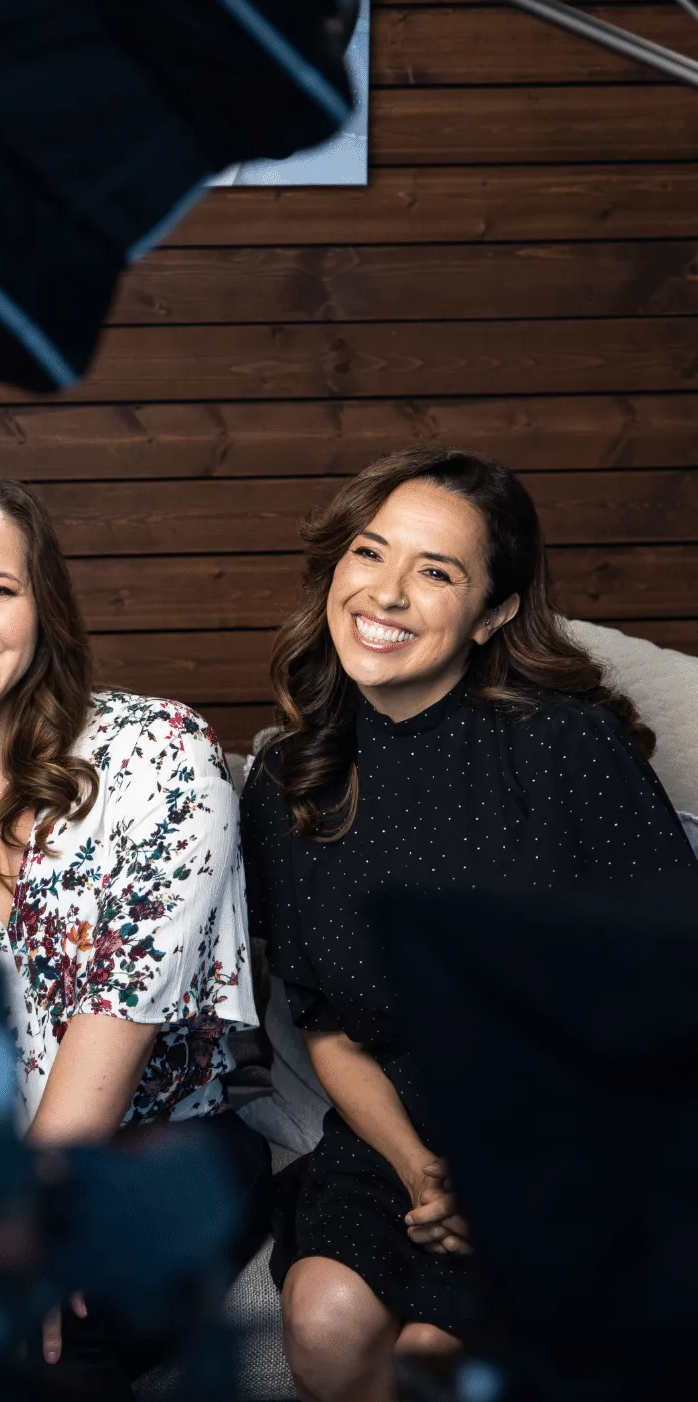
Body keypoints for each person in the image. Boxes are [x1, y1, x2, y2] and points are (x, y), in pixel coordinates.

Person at [240, 447, 698, 1402]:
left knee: (433, 1353)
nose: (388, 593)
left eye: (436, 572)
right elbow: (324, 1024)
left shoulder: (565, 742)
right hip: (400, 1124)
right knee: (323, 1319)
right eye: (371, 554)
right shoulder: (289, 781)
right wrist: (419, 1173)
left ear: (492, 614)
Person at [0, 472, 267, 1397]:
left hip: (158, 1149)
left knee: (55, 1314)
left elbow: (124, 1007)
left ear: (44, 614)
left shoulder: (162, 756)